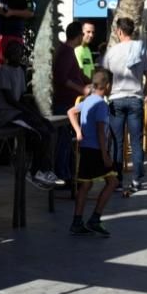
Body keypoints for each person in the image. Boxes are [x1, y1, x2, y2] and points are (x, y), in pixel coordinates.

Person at [0, 41, 63, 189]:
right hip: (6, 114)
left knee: (48, 127)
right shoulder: (3, 70)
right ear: (8, 55)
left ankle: (45, 169)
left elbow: (23, 96)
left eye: (19, 52)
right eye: (13, 52)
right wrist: (29, 112)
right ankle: (36, 171)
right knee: (40, 130)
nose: (17, 55)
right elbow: (10, 99)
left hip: (18, 111)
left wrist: (35, 111)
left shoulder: (20, 71)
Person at [67, 69, 120, 237]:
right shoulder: (101, 105)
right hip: (96, 149)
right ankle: (95, 219)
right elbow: (100, 131)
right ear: (108, 86)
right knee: (112, 182)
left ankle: (77, 221)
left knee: (86, 184)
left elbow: (71, 112)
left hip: (85, 148)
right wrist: (105, 154)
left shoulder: (88, 100)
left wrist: (78, 132)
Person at [102, 17, 147, 192]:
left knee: (116, 142)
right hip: (135, 98)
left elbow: (103, 76)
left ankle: (117, 180)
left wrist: (106, 94)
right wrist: (144, 91)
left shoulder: (111, 51)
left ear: (119, 31)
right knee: (136, 141)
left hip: (115, 99)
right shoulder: (141, 48)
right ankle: (136, 180)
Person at [52, 21, 92, 182]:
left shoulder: (70, 52)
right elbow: (62, 78)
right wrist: (81, 90)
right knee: (64, 141)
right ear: (78, 35)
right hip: (65, 103)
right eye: (83, 34)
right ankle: (63, 174)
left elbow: (76, 74)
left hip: (70, 102)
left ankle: (67, 173)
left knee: (68, 141)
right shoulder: (66, 52)